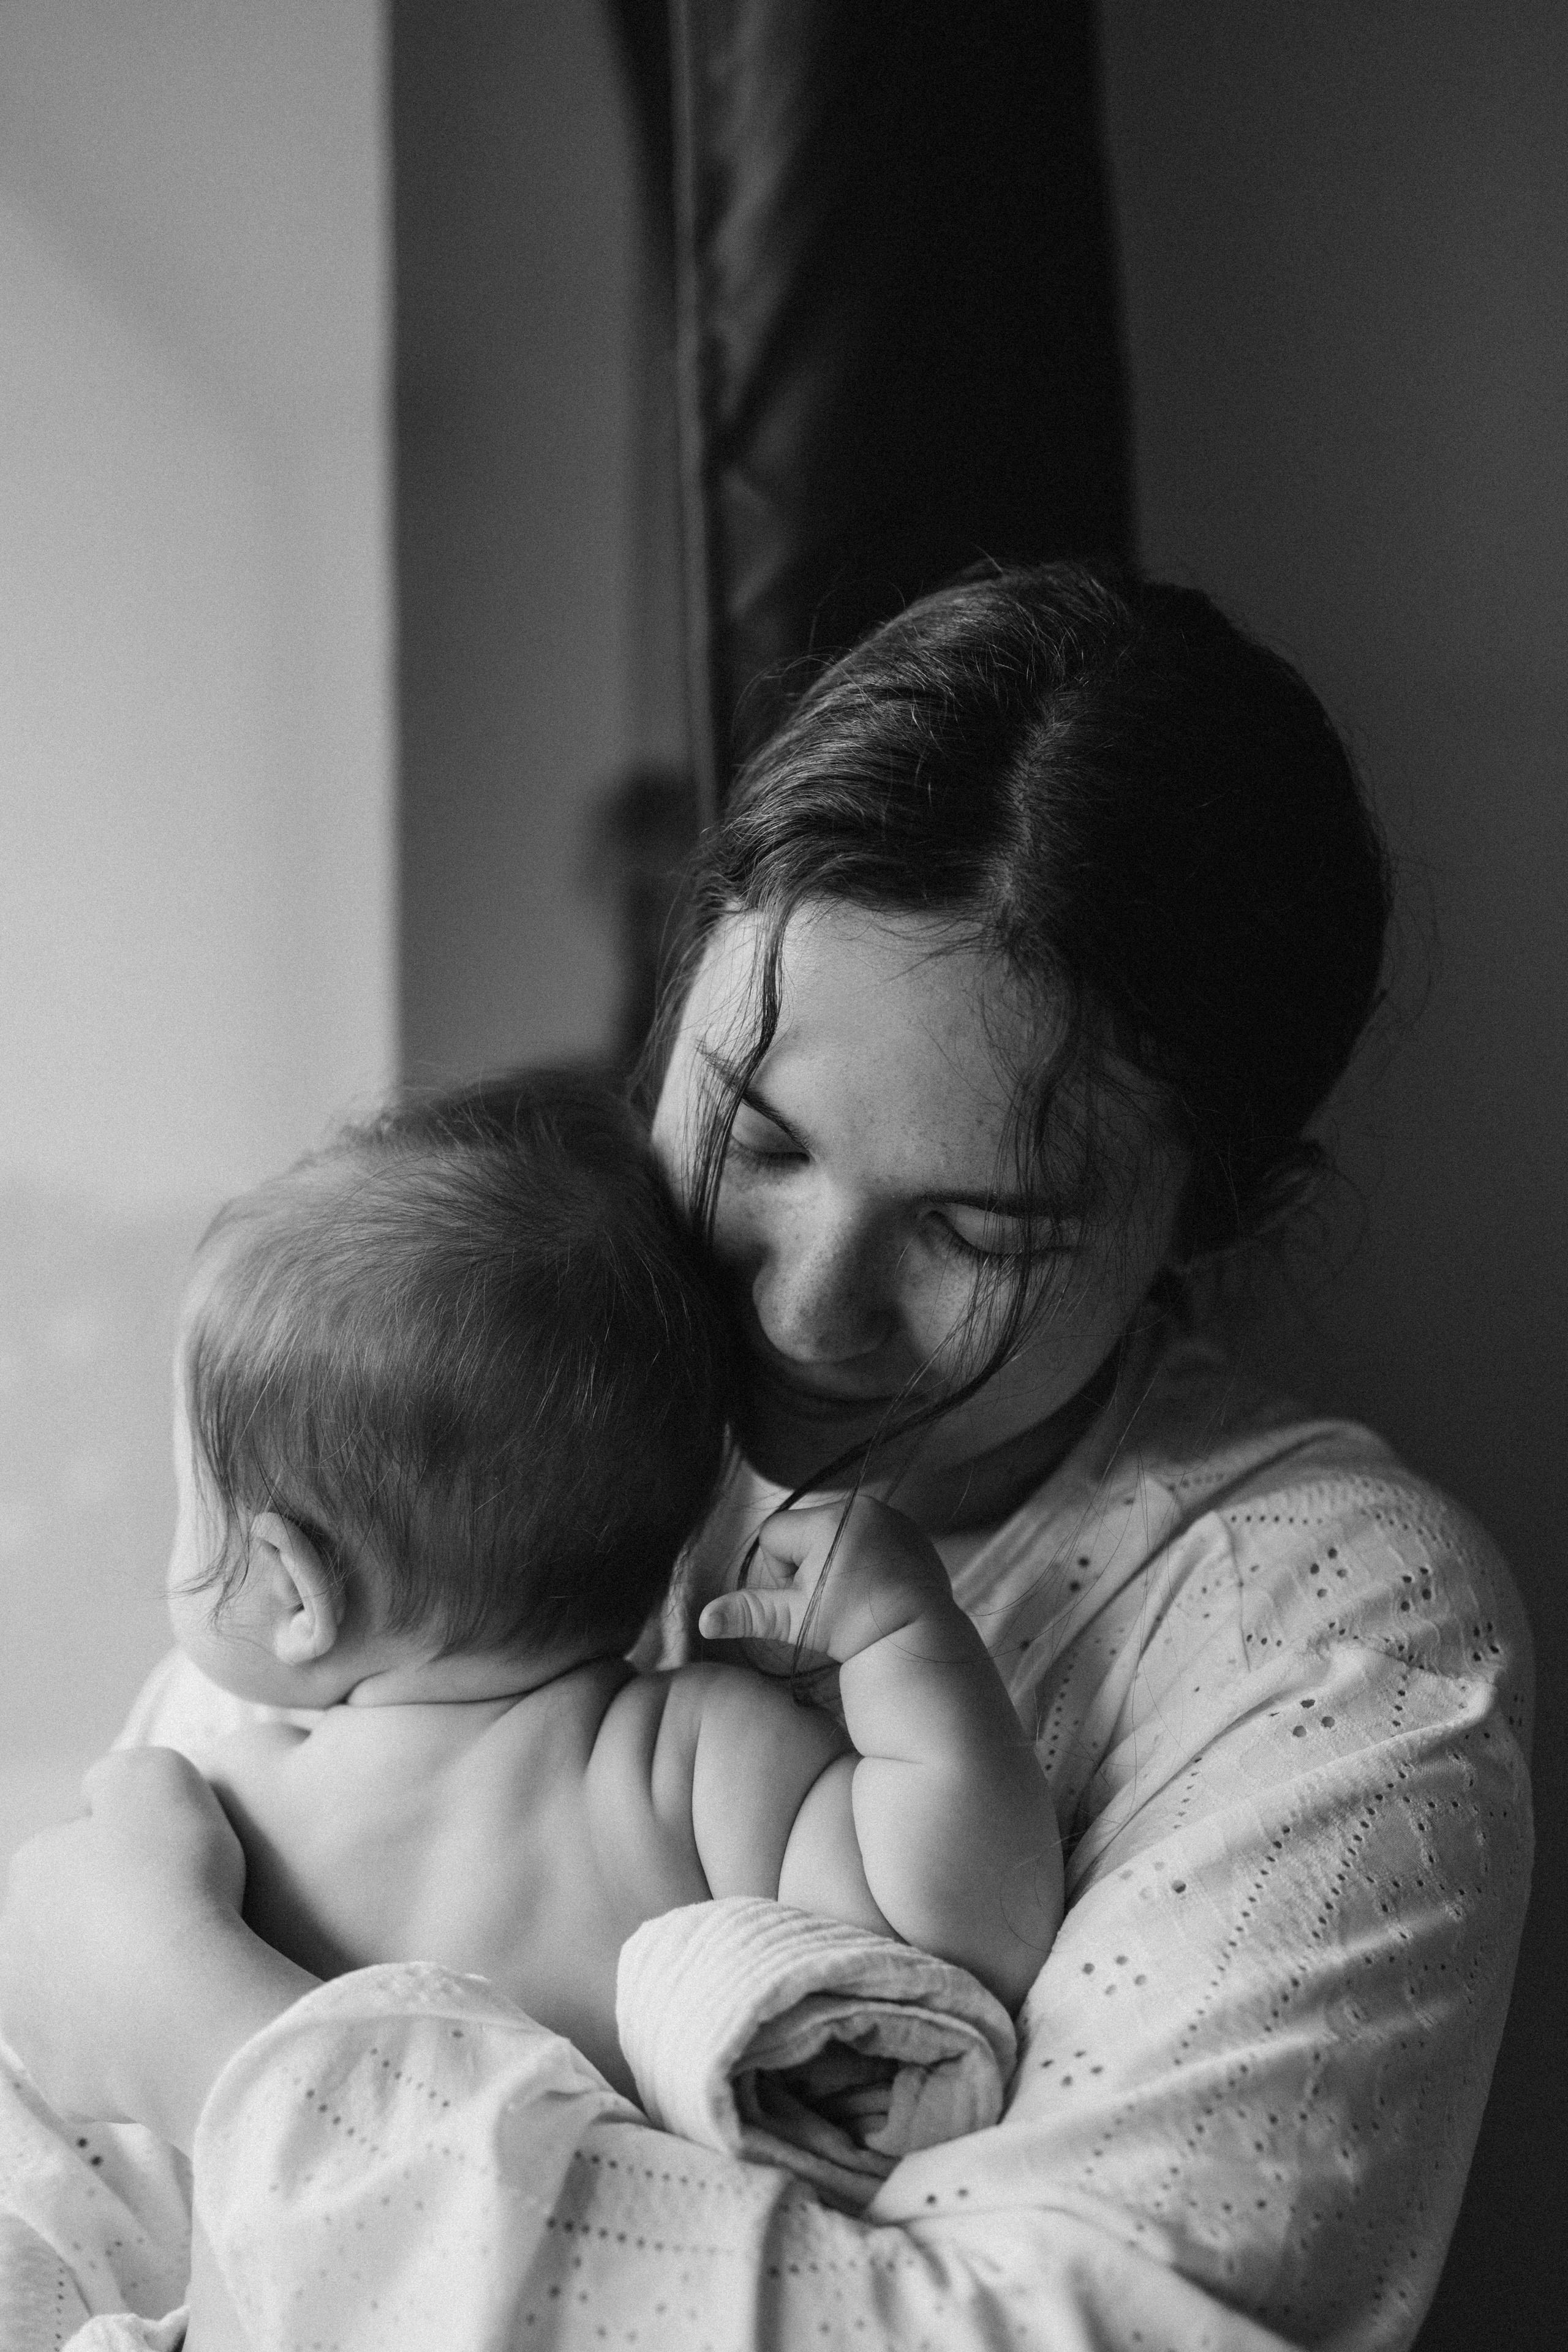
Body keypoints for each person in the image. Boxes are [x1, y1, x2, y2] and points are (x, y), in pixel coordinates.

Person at [0, 564, 1532, 2352]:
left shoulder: (1329, 1630)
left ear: (1208, 1212)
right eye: (756, 1134)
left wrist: (218, 2041)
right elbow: (67, 2165)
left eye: (978, 1233)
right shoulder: (484, 1376)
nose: (805, 1314)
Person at [157, 1070, 1059, 2108]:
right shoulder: (683, 1765)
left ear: (293, 1591)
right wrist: (911, 1644)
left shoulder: (225, 1809)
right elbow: (974, 1928)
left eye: (187, 1499)